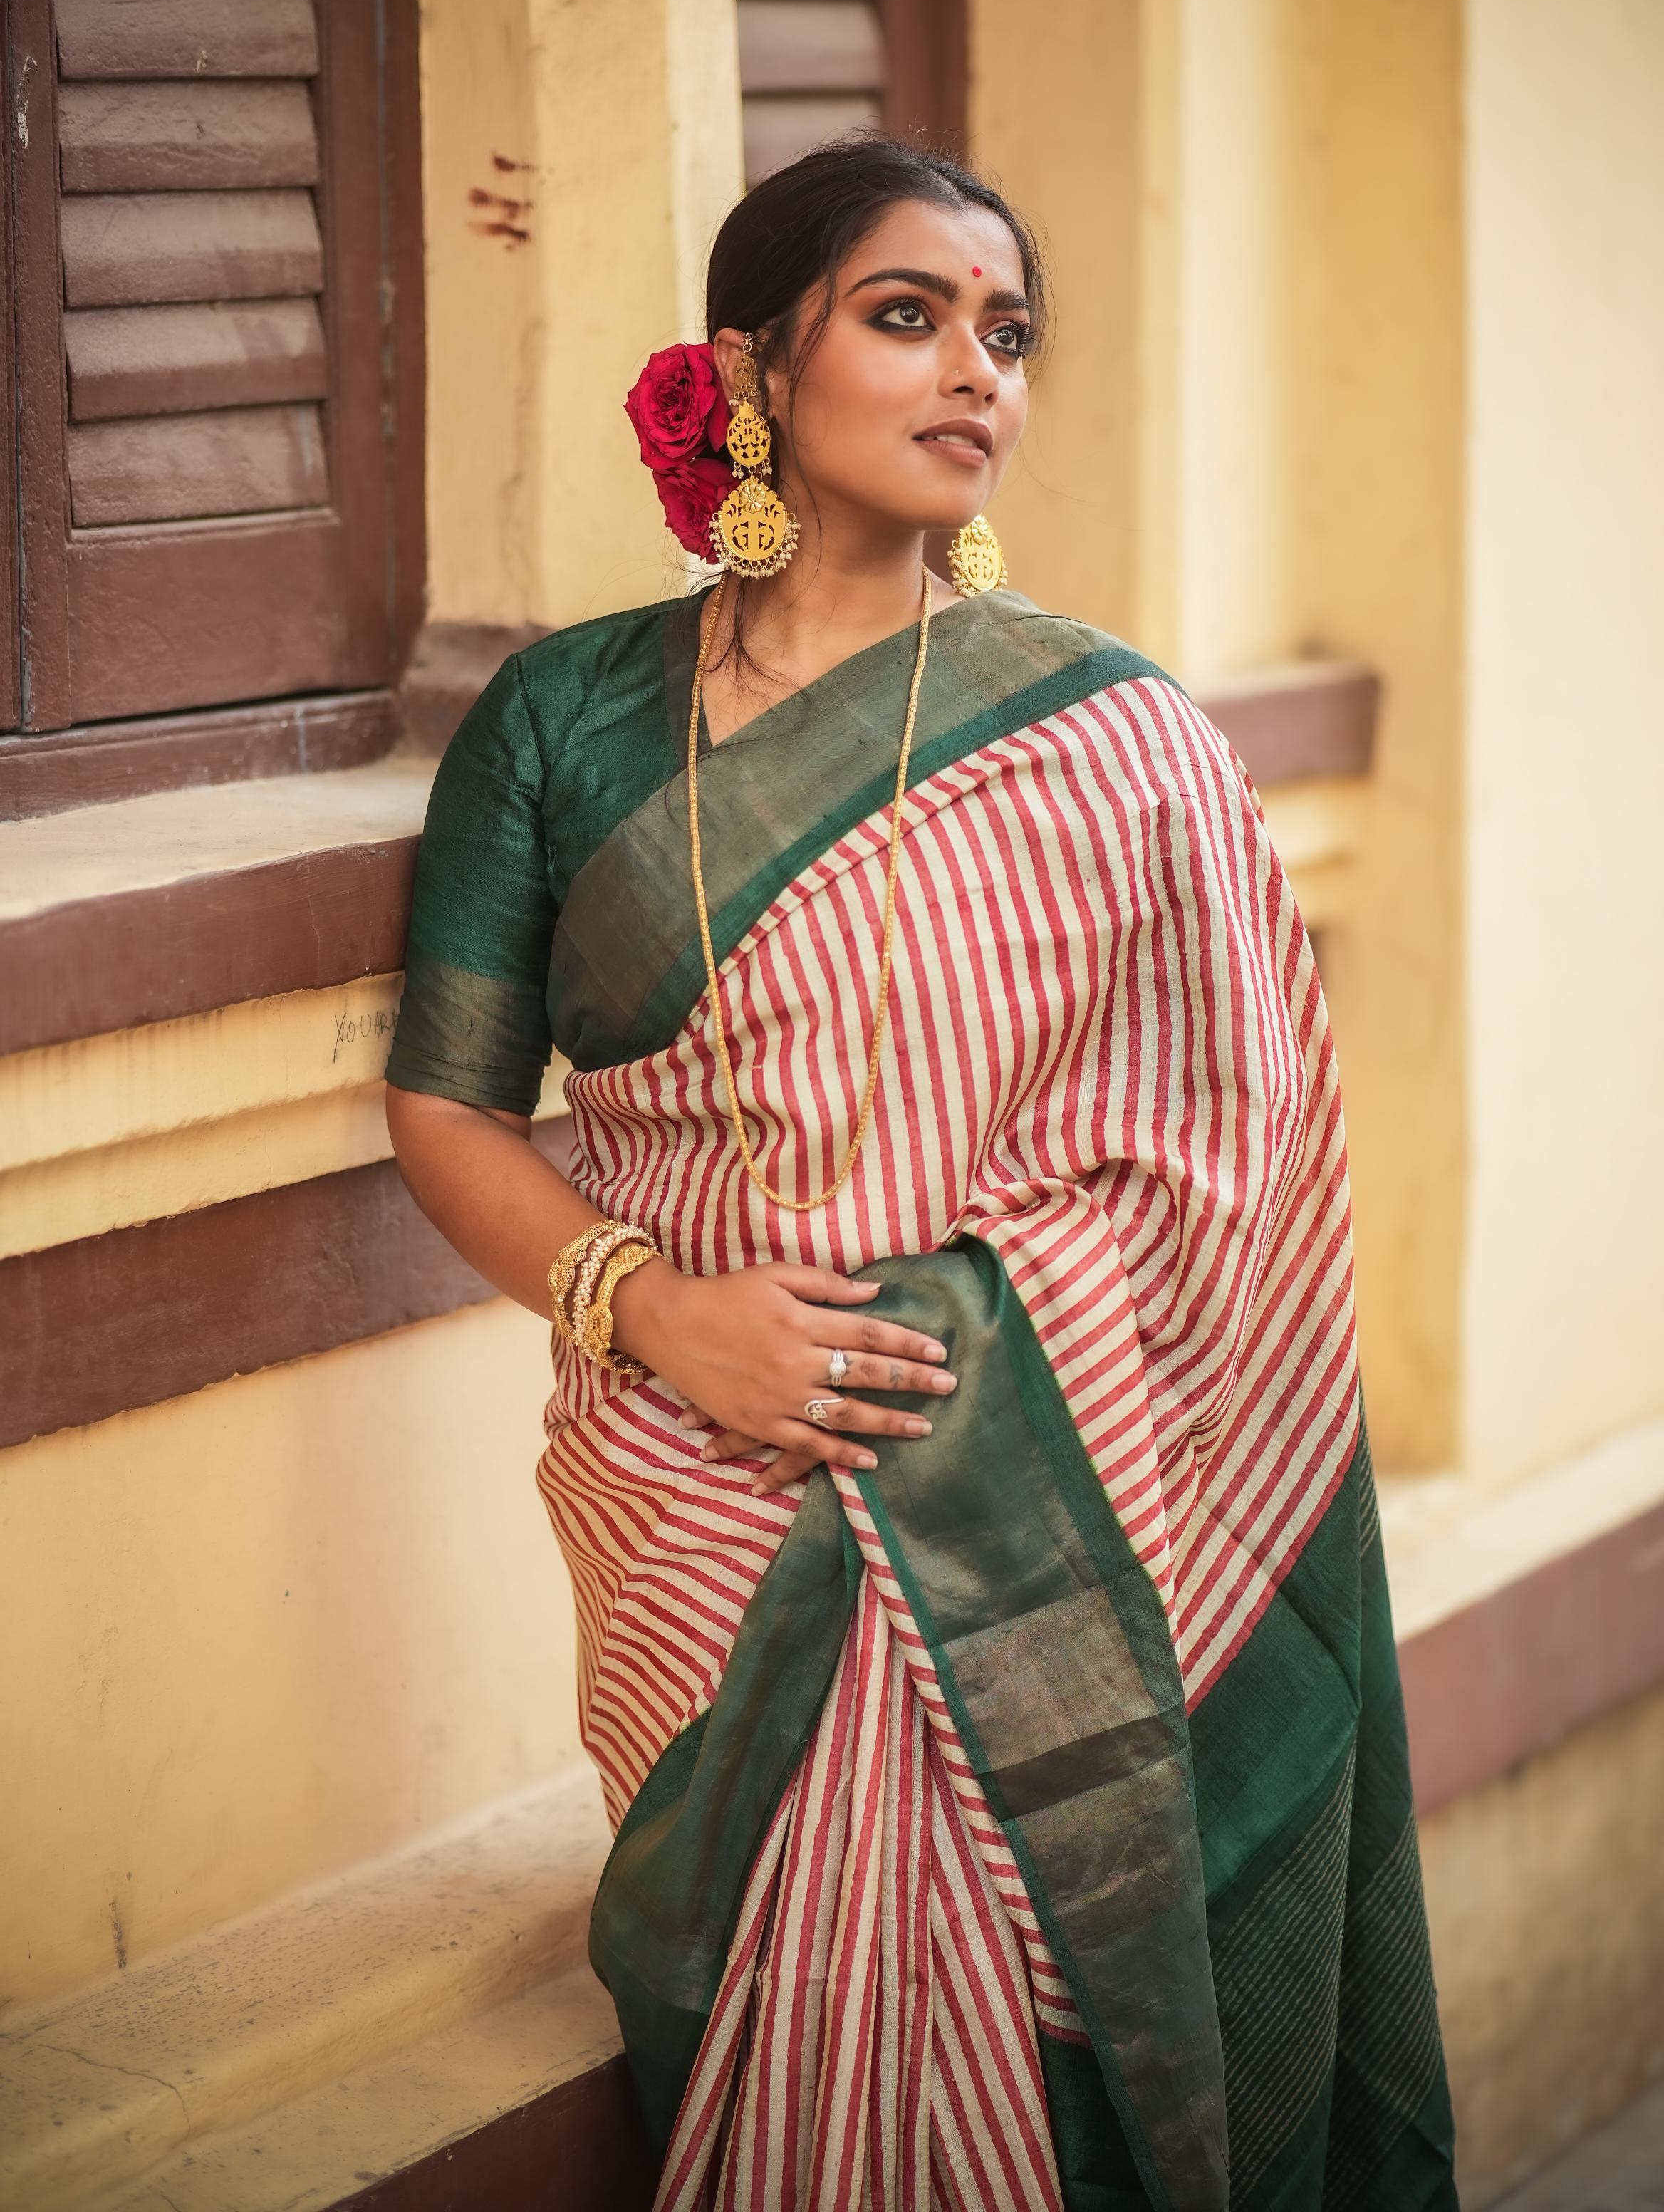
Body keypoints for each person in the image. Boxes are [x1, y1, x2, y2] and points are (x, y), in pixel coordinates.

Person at [385, 134, 1457, 2211]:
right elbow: (448, 1107)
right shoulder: (567, 723)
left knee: (1070, 2047)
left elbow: (1243, 1186)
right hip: (695, 1496)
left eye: (1009, 333)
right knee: (770, 1995)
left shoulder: (1123, 739)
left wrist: (964, 1340)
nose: (978, 370)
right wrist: (661, 1311)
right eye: (910, 315)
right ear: (756, 369)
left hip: (1059, 1507)